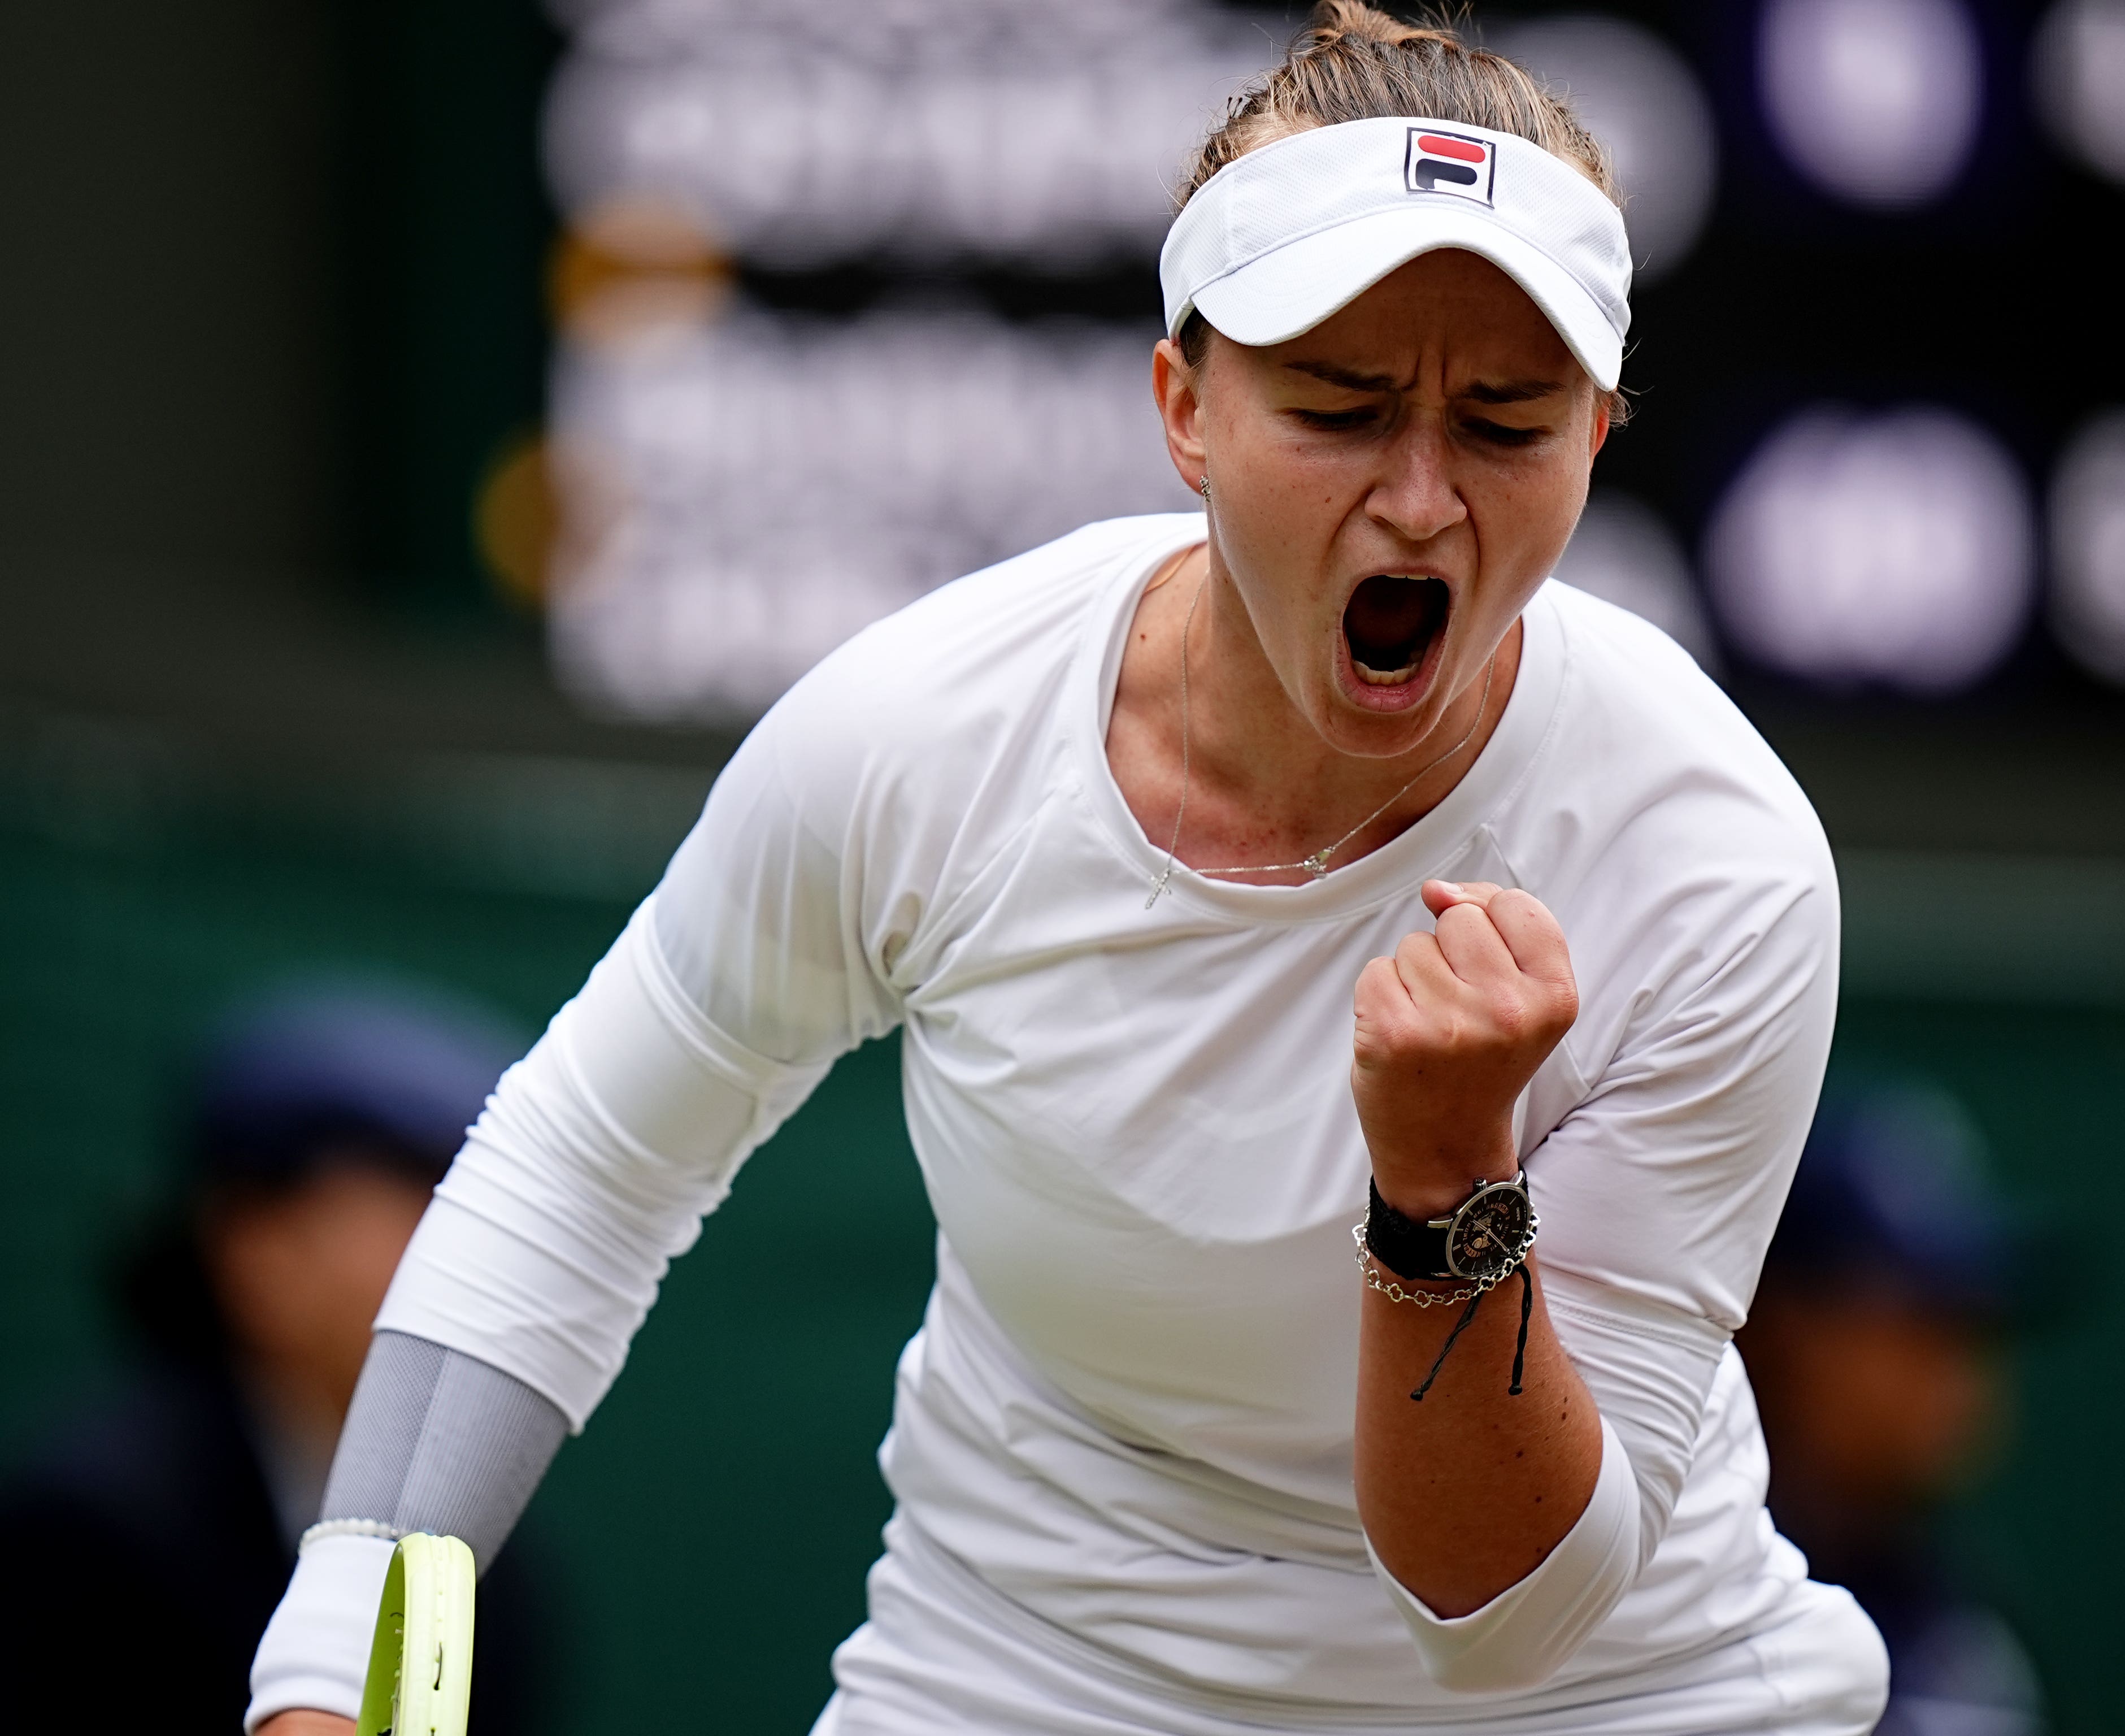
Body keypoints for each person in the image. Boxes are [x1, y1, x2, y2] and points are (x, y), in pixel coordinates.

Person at [247, 7, 1883, 1732]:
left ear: (1601, 436)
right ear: (1185, 406)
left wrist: (1444, 1188)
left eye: (1505, 420)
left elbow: (1506, 1624)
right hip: (1016, 1678)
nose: (1419, 496)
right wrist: (349, 1667)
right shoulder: (924, 733)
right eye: (1336, 403)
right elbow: (585, 1165)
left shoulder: (1718, 863)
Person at [0, 981, 555, 1733]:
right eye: (435, 1214)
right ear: (258, 1250)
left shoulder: (482, 1576)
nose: (485, 1271)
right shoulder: (95, 1538)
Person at [1740, 1085, 2049, 1736]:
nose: (1961, 1373)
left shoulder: (1960, 1632)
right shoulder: (1661, 1586)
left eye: (1980, 1328)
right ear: (1783, 1319)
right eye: (1922, 1319)